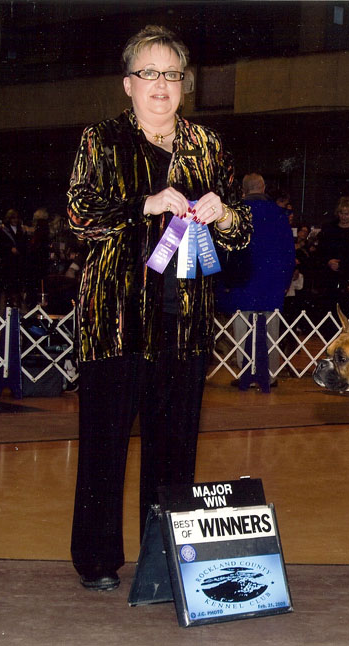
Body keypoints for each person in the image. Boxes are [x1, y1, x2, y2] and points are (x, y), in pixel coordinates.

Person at [67, 25, 252, 592]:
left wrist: (223, 216)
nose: (161, 85)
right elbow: (80, 214)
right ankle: (97, 560)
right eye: (149, 73)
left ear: (184, 85)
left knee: (175, 453)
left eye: (172, 74)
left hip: (185, 326)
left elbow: (241, 233)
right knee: (104, 448)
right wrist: (144, 204)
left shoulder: (208, 146)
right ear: (128, 84)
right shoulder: (101, 141)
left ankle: (167, 559)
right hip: (115, 323)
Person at [216, 173, 295, 384]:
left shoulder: (234, 213)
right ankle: (270, 375)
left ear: (243, 190)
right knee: (271, 328)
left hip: (244, 280)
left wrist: (224, 281)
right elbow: (289, 251)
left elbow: (226, 250)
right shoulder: (279, 214)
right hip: (272, 281)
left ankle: (245, 374)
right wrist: (286, 281)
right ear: (263, 188)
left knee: (242, 327)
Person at [315, 196, 349, 316]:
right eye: (341, 213)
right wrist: (328, 261)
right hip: (330, 279)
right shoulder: (328, 229)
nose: (343, 217)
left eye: (347, 214)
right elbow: (320, 252)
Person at [0, 209, 28, 309]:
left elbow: (25, 246)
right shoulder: (3, 231)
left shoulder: (21, 231)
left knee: (18, 290)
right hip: (8, 264)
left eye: (16, 218)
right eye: (13, 218)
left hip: (19, 264)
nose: (15, 220)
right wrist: (9, 249)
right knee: (7, 291)